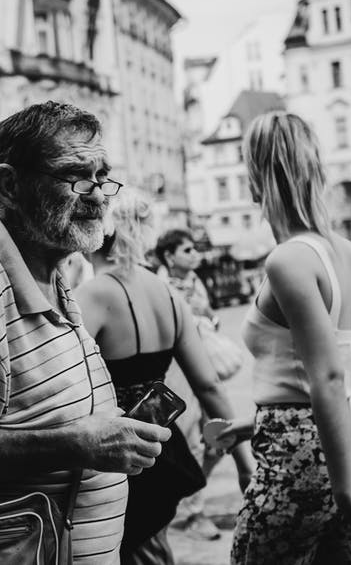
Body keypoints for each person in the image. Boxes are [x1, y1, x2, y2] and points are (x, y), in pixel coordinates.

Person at [0, 101, 171, 563]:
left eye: (103, 177)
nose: (99, 195)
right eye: (76, 176)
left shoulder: (54, 273)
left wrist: (107, 431)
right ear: (10, 184)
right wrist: (75, 443)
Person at [225, 112, 351, 563]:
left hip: (300, 459)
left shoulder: (287, 261)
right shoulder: (347, 253)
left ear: (257, 176)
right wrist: (258, 422)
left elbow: (324, 376)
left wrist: (343, 494)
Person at [77, 191, 255, 564]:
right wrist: (243, 463)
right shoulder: (168, 294)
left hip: (115, 454)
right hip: (162, 445)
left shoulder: (90, 296)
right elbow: (209, 387)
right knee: (153, 545)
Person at [152, 228, 248, 542]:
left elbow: (211, 318)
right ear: (169, 256)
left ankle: (188, 496)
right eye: (188, 250)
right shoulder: (161, 286)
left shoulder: (196, 283)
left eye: (195, 249)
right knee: (192, 439)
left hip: (204, 369)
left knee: (217, 438)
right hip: (179, 375)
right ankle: (193, 513)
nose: (195, 255)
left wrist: (207, 318)